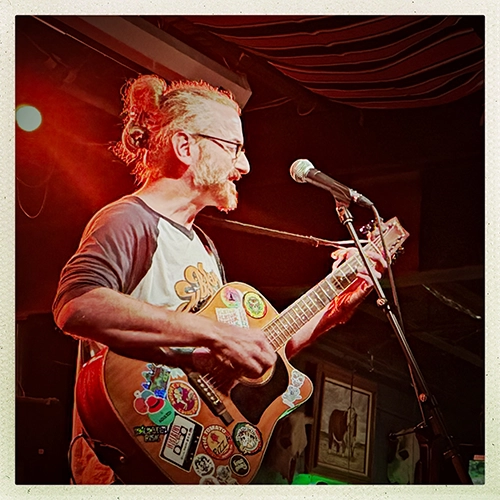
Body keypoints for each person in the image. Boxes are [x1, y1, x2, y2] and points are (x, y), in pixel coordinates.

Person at [52, 74, 385, 484]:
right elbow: (77, 305)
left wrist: (337, 306)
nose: (244, 166)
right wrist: (217, 334)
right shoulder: (130, 220)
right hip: (125, 459)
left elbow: (260, 350)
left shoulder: (204, 247)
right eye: (234, 148)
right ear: (185, 147)